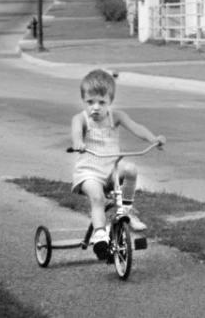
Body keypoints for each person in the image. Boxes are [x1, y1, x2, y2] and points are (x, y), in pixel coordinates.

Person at [71, 69, 165, 257]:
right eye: (90, 102)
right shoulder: (80, 119)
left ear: (110, 102)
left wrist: (153, 139)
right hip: (88, 173)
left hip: (111, 170)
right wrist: (78, 143)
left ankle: (127, 210)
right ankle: (100, 238)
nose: (95, 108)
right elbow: (76, 133)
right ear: (83, 101)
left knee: (130, 169)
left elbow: (136, 127)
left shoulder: (117, 116)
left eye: (101, 102)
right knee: (97, 197)